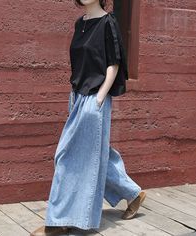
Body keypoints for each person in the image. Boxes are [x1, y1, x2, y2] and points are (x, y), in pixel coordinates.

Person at [30, 0, 146, 235]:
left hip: (94, 98)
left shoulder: (108, 22)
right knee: (96, 154)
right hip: (76, 97)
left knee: (65, 156)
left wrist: (99, 98)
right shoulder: (80, 23)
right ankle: (133, 193)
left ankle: (58, 221)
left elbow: (114, 64)